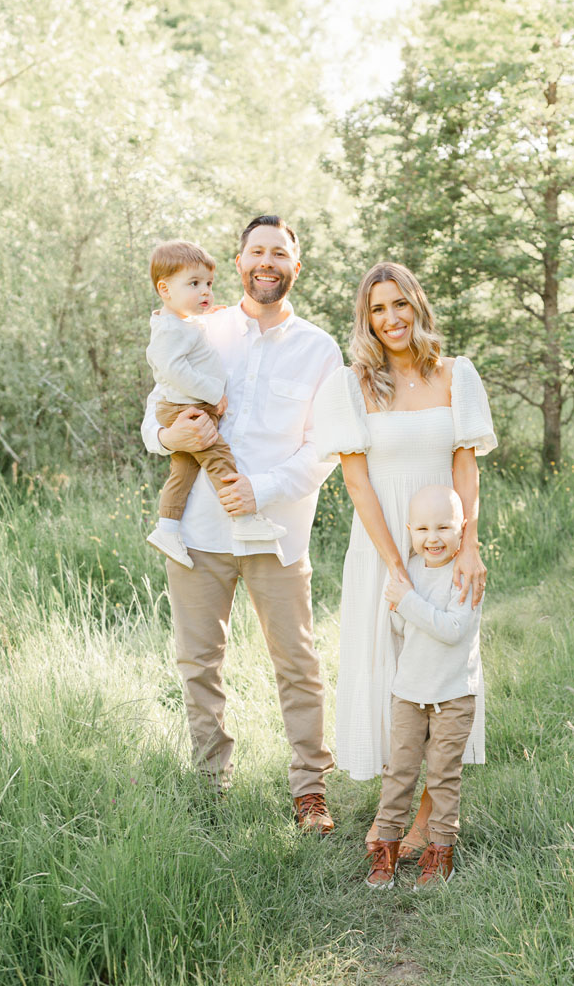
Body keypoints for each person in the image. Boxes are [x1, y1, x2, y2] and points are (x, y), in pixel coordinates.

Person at [142, 216, 342, 832]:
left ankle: (310, 789)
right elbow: (154, 417)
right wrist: (167, 434)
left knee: (298, 662)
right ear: (238, 262)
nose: (267, 261)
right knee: (198, 663)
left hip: (276, 532)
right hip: (198, 532)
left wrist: (262, 487)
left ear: (294, 267)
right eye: (257, 251)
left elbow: (326, 449)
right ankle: (210, 787)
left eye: (279, 253)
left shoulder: (319, 349)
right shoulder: (198, 328)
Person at [313, 261, 496, 855]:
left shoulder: (456, 375)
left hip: (445, 548)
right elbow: (358, 485)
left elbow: (464, 468)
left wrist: (467, 546)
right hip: (382, 547)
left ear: (417, 306)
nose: (390, 319)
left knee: (440, 666)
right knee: (388, 670)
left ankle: (425, 819)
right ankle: (390, 813)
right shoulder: (352, 385)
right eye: (377, 309)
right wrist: (395, 565)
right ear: (366, 319)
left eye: (400, 305)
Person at [365, 484, 481, 891]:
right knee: (398, 773)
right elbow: (400, 624)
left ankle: (440, 853)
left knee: (443, 776)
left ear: (462, 528)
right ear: (410, 530)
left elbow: (453, 629)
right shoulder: (409, 570)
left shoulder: (465, 574)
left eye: (444, 527)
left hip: (452, 696)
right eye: (424, 529)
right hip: (409, 694)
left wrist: (409, 602)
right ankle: (387, 850)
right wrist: (405, 602)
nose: (433, 538)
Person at [145, 239, 286, 569]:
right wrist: (214, 393)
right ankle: (243, 518)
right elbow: (174, 369)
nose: (205, 291)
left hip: (186, 407)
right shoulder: (168, 331)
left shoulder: (183, 323)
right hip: (187, 410)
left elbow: (191, 341)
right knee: (219, 457)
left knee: (183, 472)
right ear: (164, 290)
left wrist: (207, 315)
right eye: (194, 284)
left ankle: (166, 528)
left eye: (208, 283)